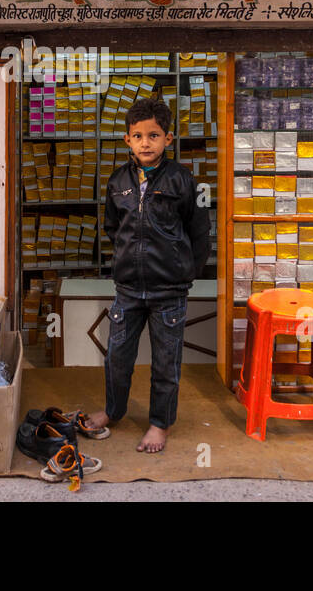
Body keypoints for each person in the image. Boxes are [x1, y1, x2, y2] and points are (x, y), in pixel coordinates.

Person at [84, 97, 210, 453]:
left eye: (154, 135)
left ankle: (159, 424)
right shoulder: (117, 181)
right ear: (127, 140)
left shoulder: (183, 180)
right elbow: (112, 227)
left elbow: (199, 231)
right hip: (127, 288)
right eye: (137, 136)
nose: (145, 143)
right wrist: (128, 259)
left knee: (165, 363)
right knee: (117, 357)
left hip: (169, 291)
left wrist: (186, 272)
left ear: (168, 139)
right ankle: (113, 409)